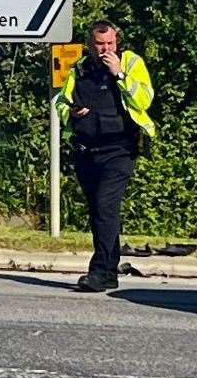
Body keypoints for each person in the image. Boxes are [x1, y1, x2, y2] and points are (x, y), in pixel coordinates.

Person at [57, 22, 156, 293]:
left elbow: (144, 99)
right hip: (87, 149)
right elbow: (60, 102)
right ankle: (110, 270)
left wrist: (120, 74)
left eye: (110, 44)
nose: (106, 49)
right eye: (100, 45)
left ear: (117, 42)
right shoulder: (79, 68)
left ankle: (99, 272)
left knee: (105, 206)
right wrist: (71, 113)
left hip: (120, 149)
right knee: (99, 212)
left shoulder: (131, 62)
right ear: (90, 45)